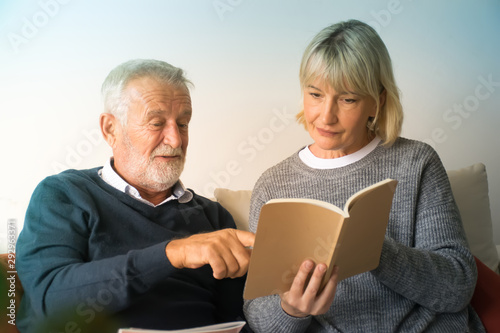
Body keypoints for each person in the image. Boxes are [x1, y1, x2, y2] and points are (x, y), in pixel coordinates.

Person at [243, 20, 485, 332]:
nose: (326, 115)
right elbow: (257, 313)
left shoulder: (416, 162)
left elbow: (457, 287)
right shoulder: (272, 186)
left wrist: (374, 250)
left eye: (348, 99)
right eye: (315, 94)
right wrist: (291, 310)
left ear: (378, 100)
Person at [16, 59, 255, 332]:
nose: (176, 140)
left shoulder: (213, 216)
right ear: (110, 129)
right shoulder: (64, 195)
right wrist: (173, 253)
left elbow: (236, 319)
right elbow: (49, 301)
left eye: (183, 123)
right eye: (156, 123)